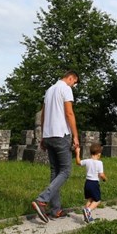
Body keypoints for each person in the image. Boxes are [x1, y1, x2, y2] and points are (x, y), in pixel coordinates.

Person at [31, 70, 80, 223]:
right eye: (74, 82)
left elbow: (43, 115)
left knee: (55, 172)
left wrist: (43, 137)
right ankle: (42, 200)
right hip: (60, 134)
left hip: (48, 135)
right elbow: (69, 113)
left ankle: (55, 210)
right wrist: (75, 136)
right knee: (66, 171)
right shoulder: (65, 89)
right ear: (70, 78)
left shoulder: (49, 90)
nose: (73, 85)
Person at [76, 142, 107, 223]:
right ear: (98, 153)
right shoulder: (99, 163)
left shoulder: (87, 161)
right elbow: (101, 174)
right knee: (97, 200)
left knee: (90, 199)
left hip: (87, 183)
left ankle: (87, 215)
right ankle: (88, 210)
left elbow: (78, 162)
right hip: (94, 184)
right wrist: (105, 179)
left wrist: (77, 152)